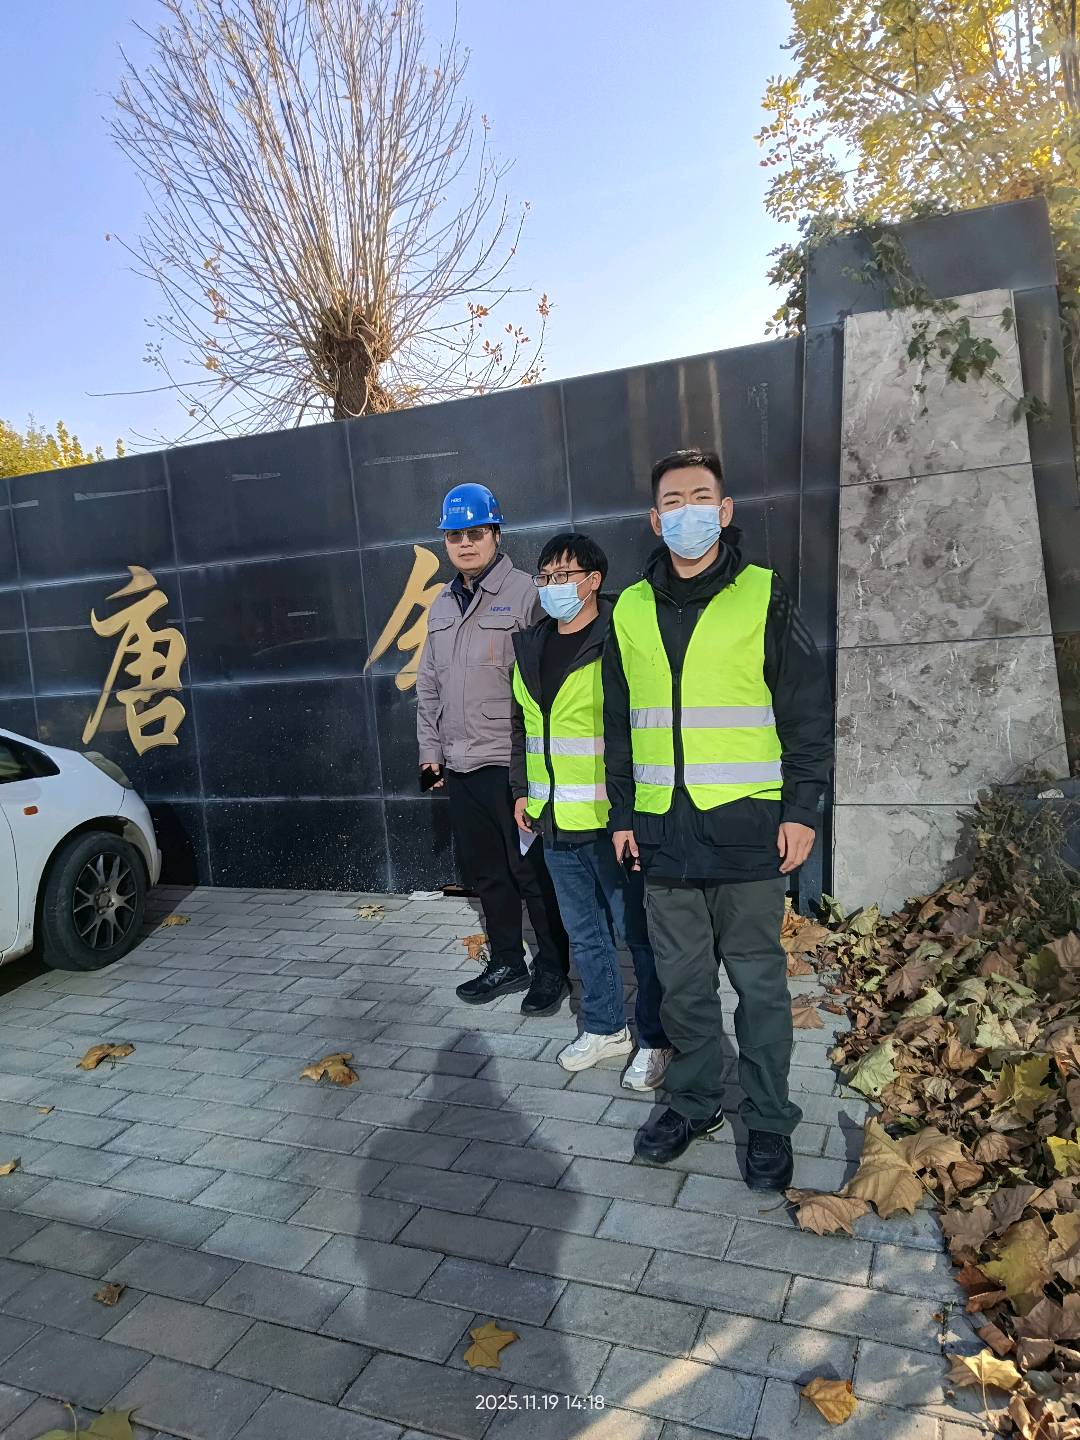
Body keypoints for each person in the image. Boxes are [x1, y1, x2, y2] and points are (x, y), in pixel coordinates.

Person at [603, 448, 833, 1189]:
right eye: (673, 501)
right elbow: (618, 723)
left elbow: (804, 711)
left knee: (759, 988)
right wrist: (623, 813)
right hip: (663, 834)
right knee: (682, 987)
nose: (688, 512)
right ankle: (694, 1102)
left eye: (701, 497)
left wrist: (802, 809)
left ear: (725, 510)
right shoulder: (630, 608)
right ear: (655, 519)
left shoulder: (764, 593)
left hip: (747, 830)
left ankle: (767, 1119)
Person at [509, 532, 671, 1089]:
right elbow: (522, 730)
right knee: (584, 934)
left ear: (594, 580)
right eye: (545, 577)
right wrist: (521, 791)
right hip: (554, 820)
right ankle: (605, 1027)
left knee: (637, 934)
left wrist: (632, 813)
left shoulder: (620, 638)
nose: (552, 586)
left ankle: (655, 1037)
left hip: (612, 821)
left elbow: (637, 729)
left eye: (564, 576)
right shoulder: (530, 647)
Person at [416, 482, 571, 1016]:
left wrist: (533, 770)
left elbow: (546, 685)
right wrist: (431, 753)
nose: (464, 543)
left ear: (496, 534)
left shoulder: (527, 594)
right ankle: (507, 962)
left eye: (475, 532)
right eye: (454, 535)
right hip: (460, 765)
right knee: (486, 872)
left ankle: (553, 967)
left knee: (531, 872)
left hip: (510, 764)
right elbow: (429, 684)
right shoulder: (441, 604)